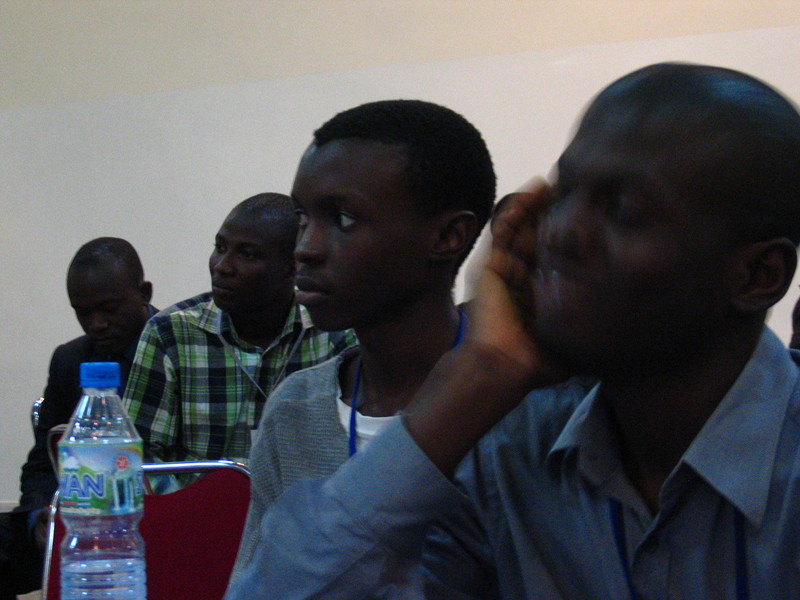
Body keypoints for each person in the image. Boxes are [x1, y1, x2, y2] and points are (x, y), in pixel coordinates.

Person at [226, 63, 800, 599]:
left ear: (758, 275)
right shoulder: (513, 447)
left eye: (624, 210)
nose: (561, 232)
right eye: (565, 193)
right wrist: (479, 374)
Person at [227, 99, 497, 584]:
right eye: (303, 218)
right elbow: (255, 587)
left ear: (448, 236)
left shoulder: (515, 411)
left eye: (344, 218)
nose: (305, 248)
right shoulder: (295, 410)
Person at [123, 193, 356, 477]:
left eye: (248, 254)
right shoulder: (170, 333)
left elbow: (351, 454)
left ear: (292, 268)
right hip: (194, 504)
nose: (222, 266)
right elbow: (138, 460)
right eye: (220, 247)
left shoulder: (334, 334)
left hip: (301, 504)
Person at [0, 237, 156, 599]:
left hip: (146, 518)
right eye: (83, 313)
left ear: (144, 293)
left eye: (109, 309)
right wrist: (39, 514)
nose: (96, 324)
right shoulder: (70, 361)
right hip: (81, 520)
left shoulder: (178, 346)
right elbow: (43, 463)